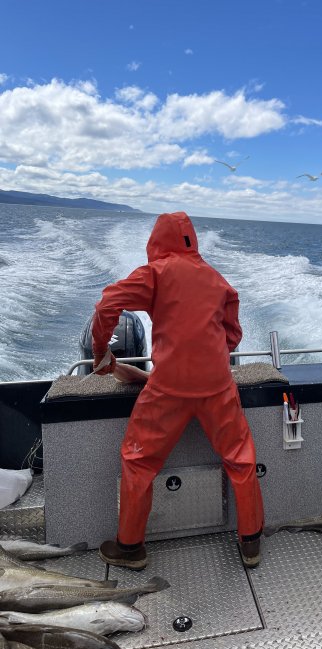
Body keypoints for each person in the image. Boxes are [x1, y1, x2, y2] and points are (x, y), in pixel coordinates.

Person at [92, 211, 264, 570]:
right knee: (240, 457)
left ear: (157, 241)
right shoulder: (218, 281)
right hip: (217, 385)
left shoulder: (156, 273)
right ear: (193, 240)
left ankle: (131, 548)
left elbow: (107, 304)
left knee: (139, 462)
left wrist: (101, 354)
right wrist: (208, 355)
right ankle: (250, 543)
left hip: (168, 388)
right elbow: (233, 335)